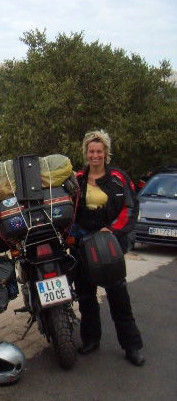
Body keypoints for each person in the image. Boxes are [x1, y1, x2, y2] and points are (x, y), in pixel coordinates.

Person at [72, 130, 145, 366]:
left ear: (105, 153)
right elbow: (69, 210)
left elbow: (130, 208)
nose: (95, 155)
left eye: (99, 151)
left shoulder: (118, 178)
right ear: (86, 152)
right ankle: (91, 339)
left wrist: (113, 230)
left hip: (108, 244)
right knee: (86, 296)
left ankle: (132, 346)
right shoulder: (78, 178)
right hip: (82, 243)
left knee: (118, 296)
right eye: (91, 151)